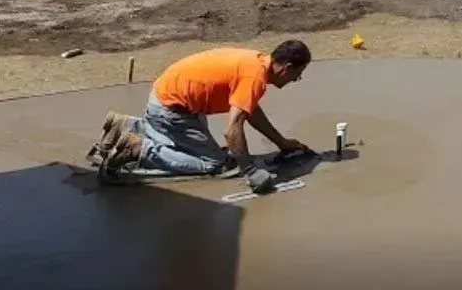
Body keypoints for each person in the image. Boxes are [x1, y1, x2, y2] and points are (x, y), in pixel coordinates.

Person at [94, 40, 313, 191]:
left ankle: (123, 126)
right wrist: (250, 169)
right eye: (298, 75)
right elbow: (232, 131)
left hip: (171, 99)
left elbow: (251, 111)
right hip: (172, 109)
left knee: (194, 148)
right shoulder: (254, 78)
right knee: (215, 164)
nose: (296, 80)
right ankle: (139, 149)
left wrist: (282, 143)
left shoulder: (256, 63)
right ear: (287, 68)